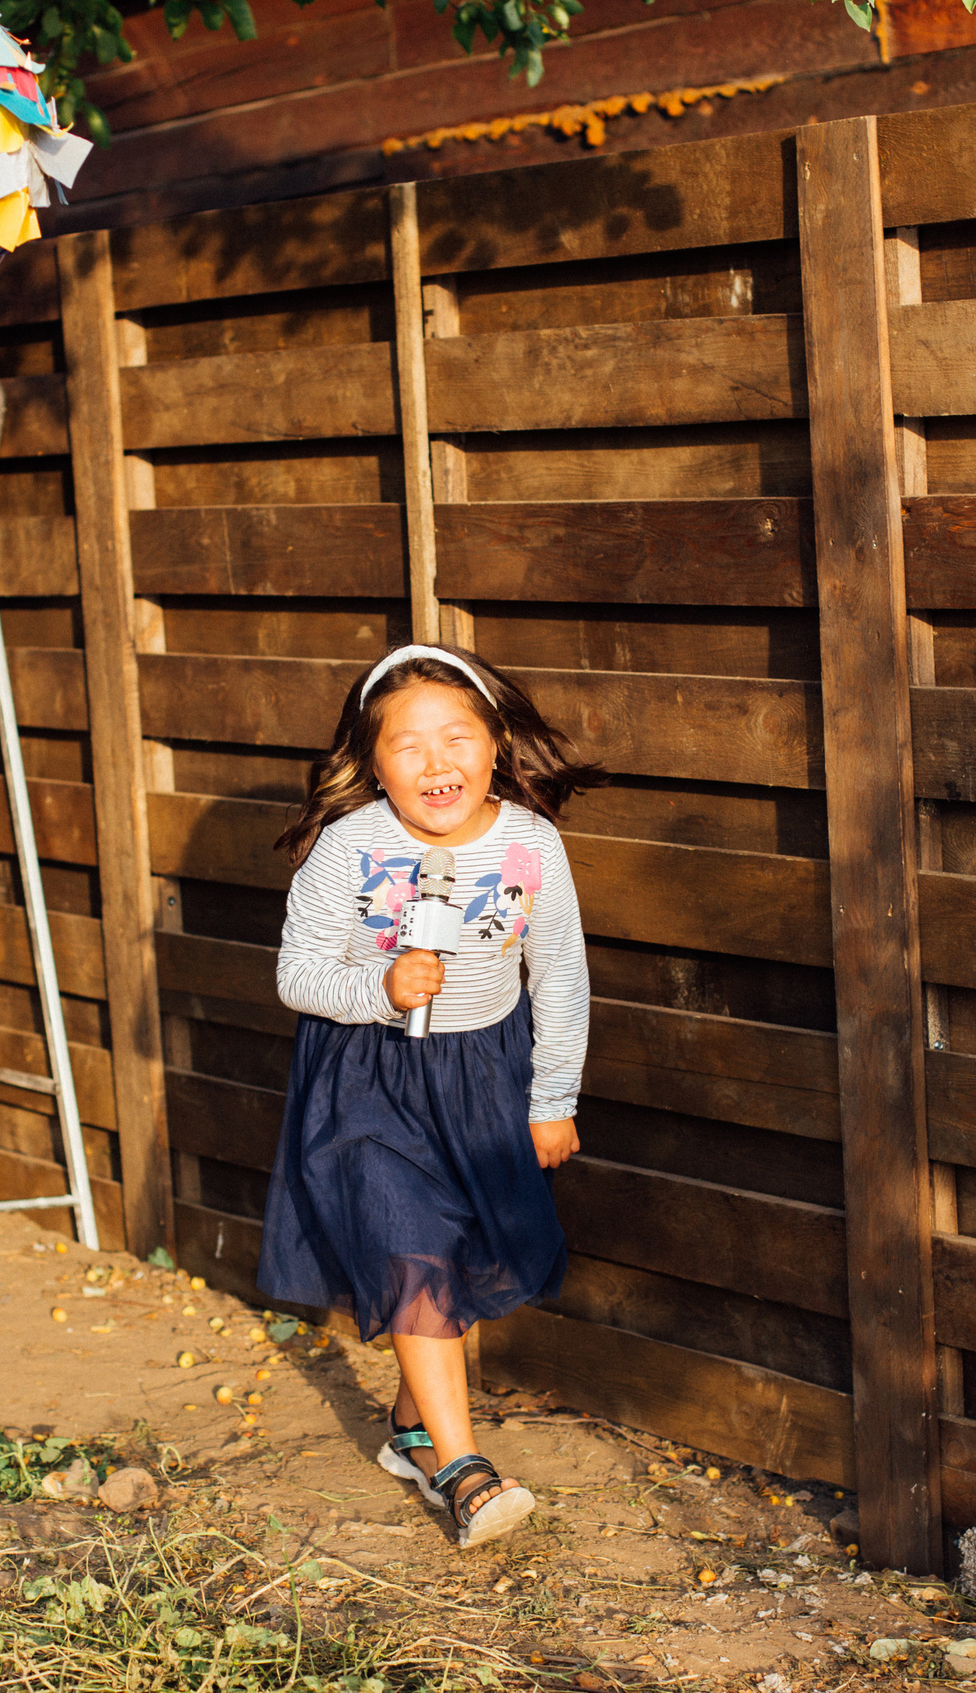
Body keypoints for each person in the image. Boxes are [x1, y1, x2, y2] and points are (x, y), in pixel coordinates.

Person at [259, 643, 606, 1549]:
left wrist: (551, 1096)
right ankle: (464, 1471)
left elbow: (559, 976)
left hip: (487, 1069)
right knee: (410, 1242)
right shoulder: (351, 845)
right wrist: (380, 988)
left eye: (456, 737)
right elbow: (297, 972)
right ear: (372, 765)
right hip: (367, 1076)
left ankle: (412, 1429)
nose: (435, 761)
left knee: (470, 1254)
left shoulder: (530, 843)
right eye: (406, 746)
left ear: (496, 746)